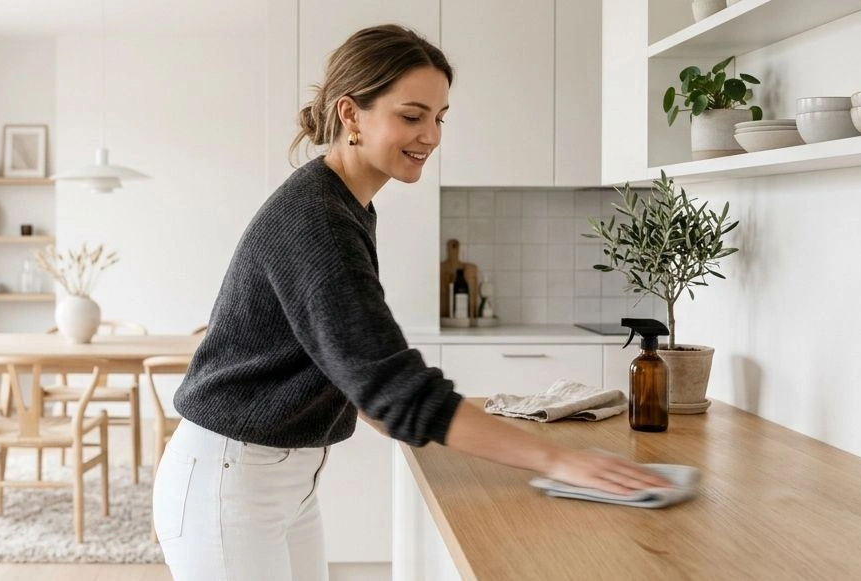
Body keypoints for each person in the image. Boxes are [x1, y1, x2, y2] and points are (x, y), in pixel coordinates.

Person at [151, 24, 671, 581]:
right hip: (230, 482)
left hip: (282, 479)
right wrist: (558, 460)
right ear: (351, 114)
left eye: (439, 117)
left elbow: (357, 372)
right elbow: (386, 384)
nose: (431, 135)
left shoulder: (345, 205)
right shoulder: (318, 219)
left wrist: (444, 424)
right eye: (412, 115)